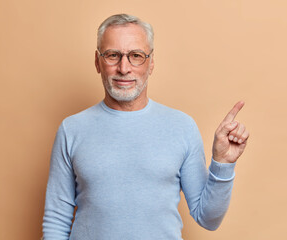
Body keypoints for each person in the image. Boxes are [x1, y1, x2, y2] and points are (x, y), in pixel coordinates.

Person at [42, 13, 249, 240]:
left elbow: (208, 219)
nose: (124, 67)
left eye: (136, 56)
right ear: (97, 62)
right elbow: (56, 221)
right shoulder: (71, 129)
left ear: (151, 63)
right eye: (112, 55)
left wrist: (223, 164)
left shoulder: (182, 127)